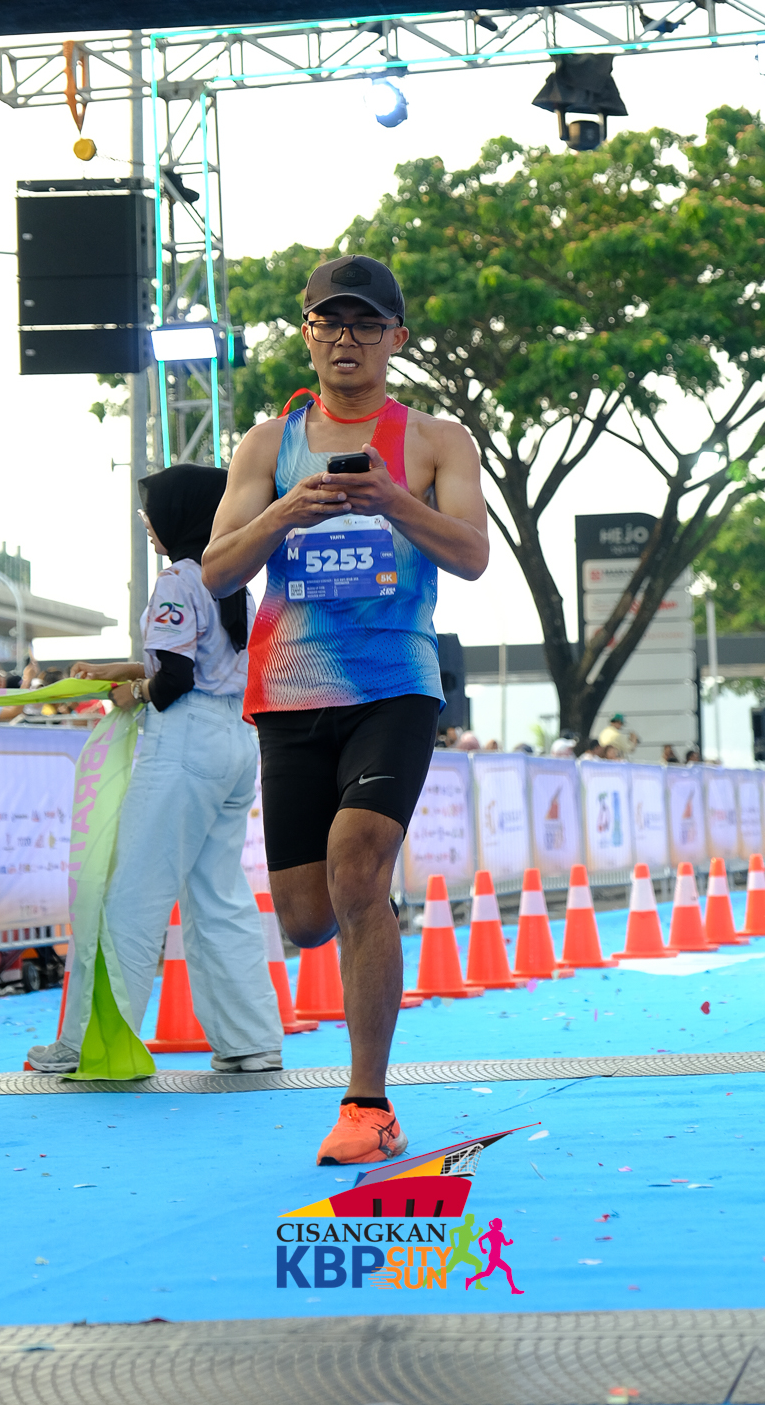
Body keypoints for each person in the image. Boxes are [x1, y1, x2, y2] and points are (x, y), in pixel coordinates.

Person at [202, 254, 488, 1166]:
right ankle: (367, 911)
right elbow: (215, 572)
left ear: (396, 338)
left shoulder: (437, 440)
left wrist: (393, 501)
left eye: (367, 324)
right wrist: (286, 512)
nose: (347, 340)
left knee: (358, 868)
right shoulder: (267, 445)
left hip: (394, 683)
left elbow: (472, 555)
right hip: (289, 692)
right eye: (331, 322)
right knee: (304, 916)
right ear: (308, 334)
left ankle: (369, 1105)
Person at [26, 464, 281, 1075]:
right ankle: (252, 1042)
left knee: (131, 897)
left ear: (182, 514)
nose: (147, 520)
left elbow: (175, 680)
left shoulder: (175, 580)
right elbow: (203, 663)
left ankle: (92, 1042)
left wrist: (134, 693)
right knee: (219, 897)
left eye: (153, 508)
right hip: (236, 743)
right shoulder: (235, 584)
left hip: (185, 745)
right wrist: (126, 670)